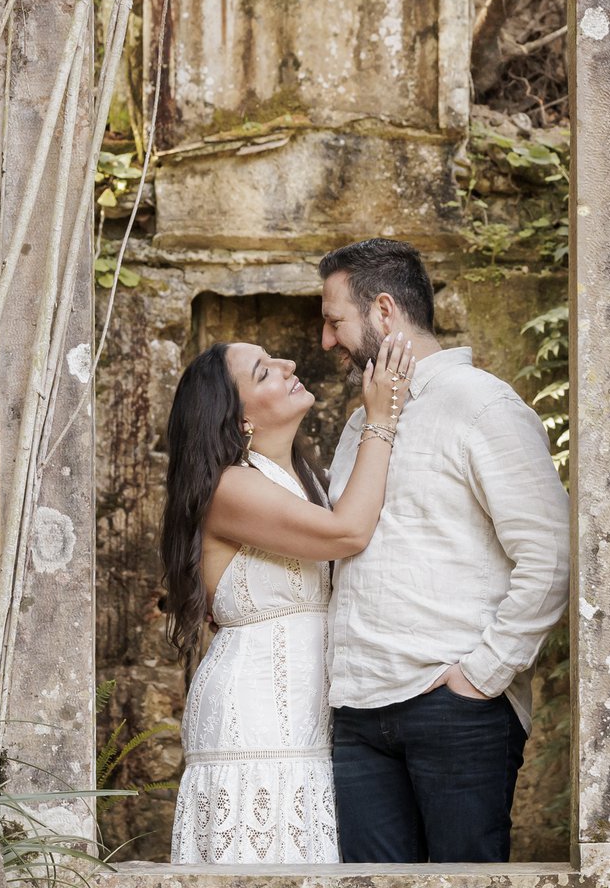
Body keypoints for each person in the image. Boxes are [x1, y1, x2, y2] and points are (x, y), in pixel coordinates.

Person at [318, 237, 571, 863]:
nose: (326, 341)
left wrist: (480, 676)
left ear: (383, 312)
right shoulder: (359, 424)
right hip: (357, 712)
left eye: (334, 321)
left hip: (454, 708)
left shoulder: (482, 404)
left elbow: (550, 555)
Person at [162, 333, 417, 864]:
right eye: (263, 371)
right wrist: (381, 419)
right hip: (254, 720)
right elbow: (348, 532)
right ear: (239, 421)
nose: (288, 363)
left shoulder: (307, 480)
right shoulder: (229, 488)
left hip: (308, 716)